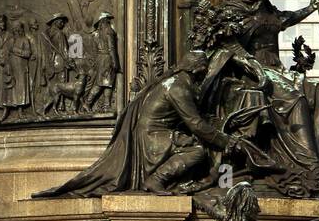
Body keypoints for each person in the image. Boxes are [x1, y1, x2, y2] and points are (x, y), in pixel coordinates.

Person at [35, 51, 241, 198]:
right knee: (197, 151)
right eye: (203, 69)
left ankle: (203, 179)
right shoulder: (178, 87)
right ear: (196, 68)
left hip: (155, 132)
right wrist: (224, 141)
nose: (204, 73)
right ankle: (156, 179)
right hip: (152, 137)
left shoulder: (175, 82)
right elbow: (195, 123)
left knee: (197, 143)